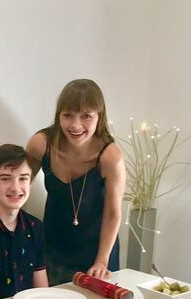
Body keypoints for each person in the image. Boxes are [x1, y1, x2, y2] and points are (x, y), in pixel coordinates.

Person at [26, 79, 126, 284]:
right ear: (58, 115)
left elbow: (113, 212)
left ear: (99, 117)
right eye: (68, 115)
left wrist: (102, 261)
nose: (75, 125)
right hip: (52, 246)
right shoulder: (41, 144)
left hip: (98, 251)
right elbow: (19, 186)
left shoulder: (110, 156)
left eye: (86, 116)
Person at [0, 144, 48, 299]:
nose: (15, 187)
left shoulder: (35, 226)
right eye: (5, 179)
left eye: (23, 179)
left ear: (31, 182)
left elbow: (42, 290)